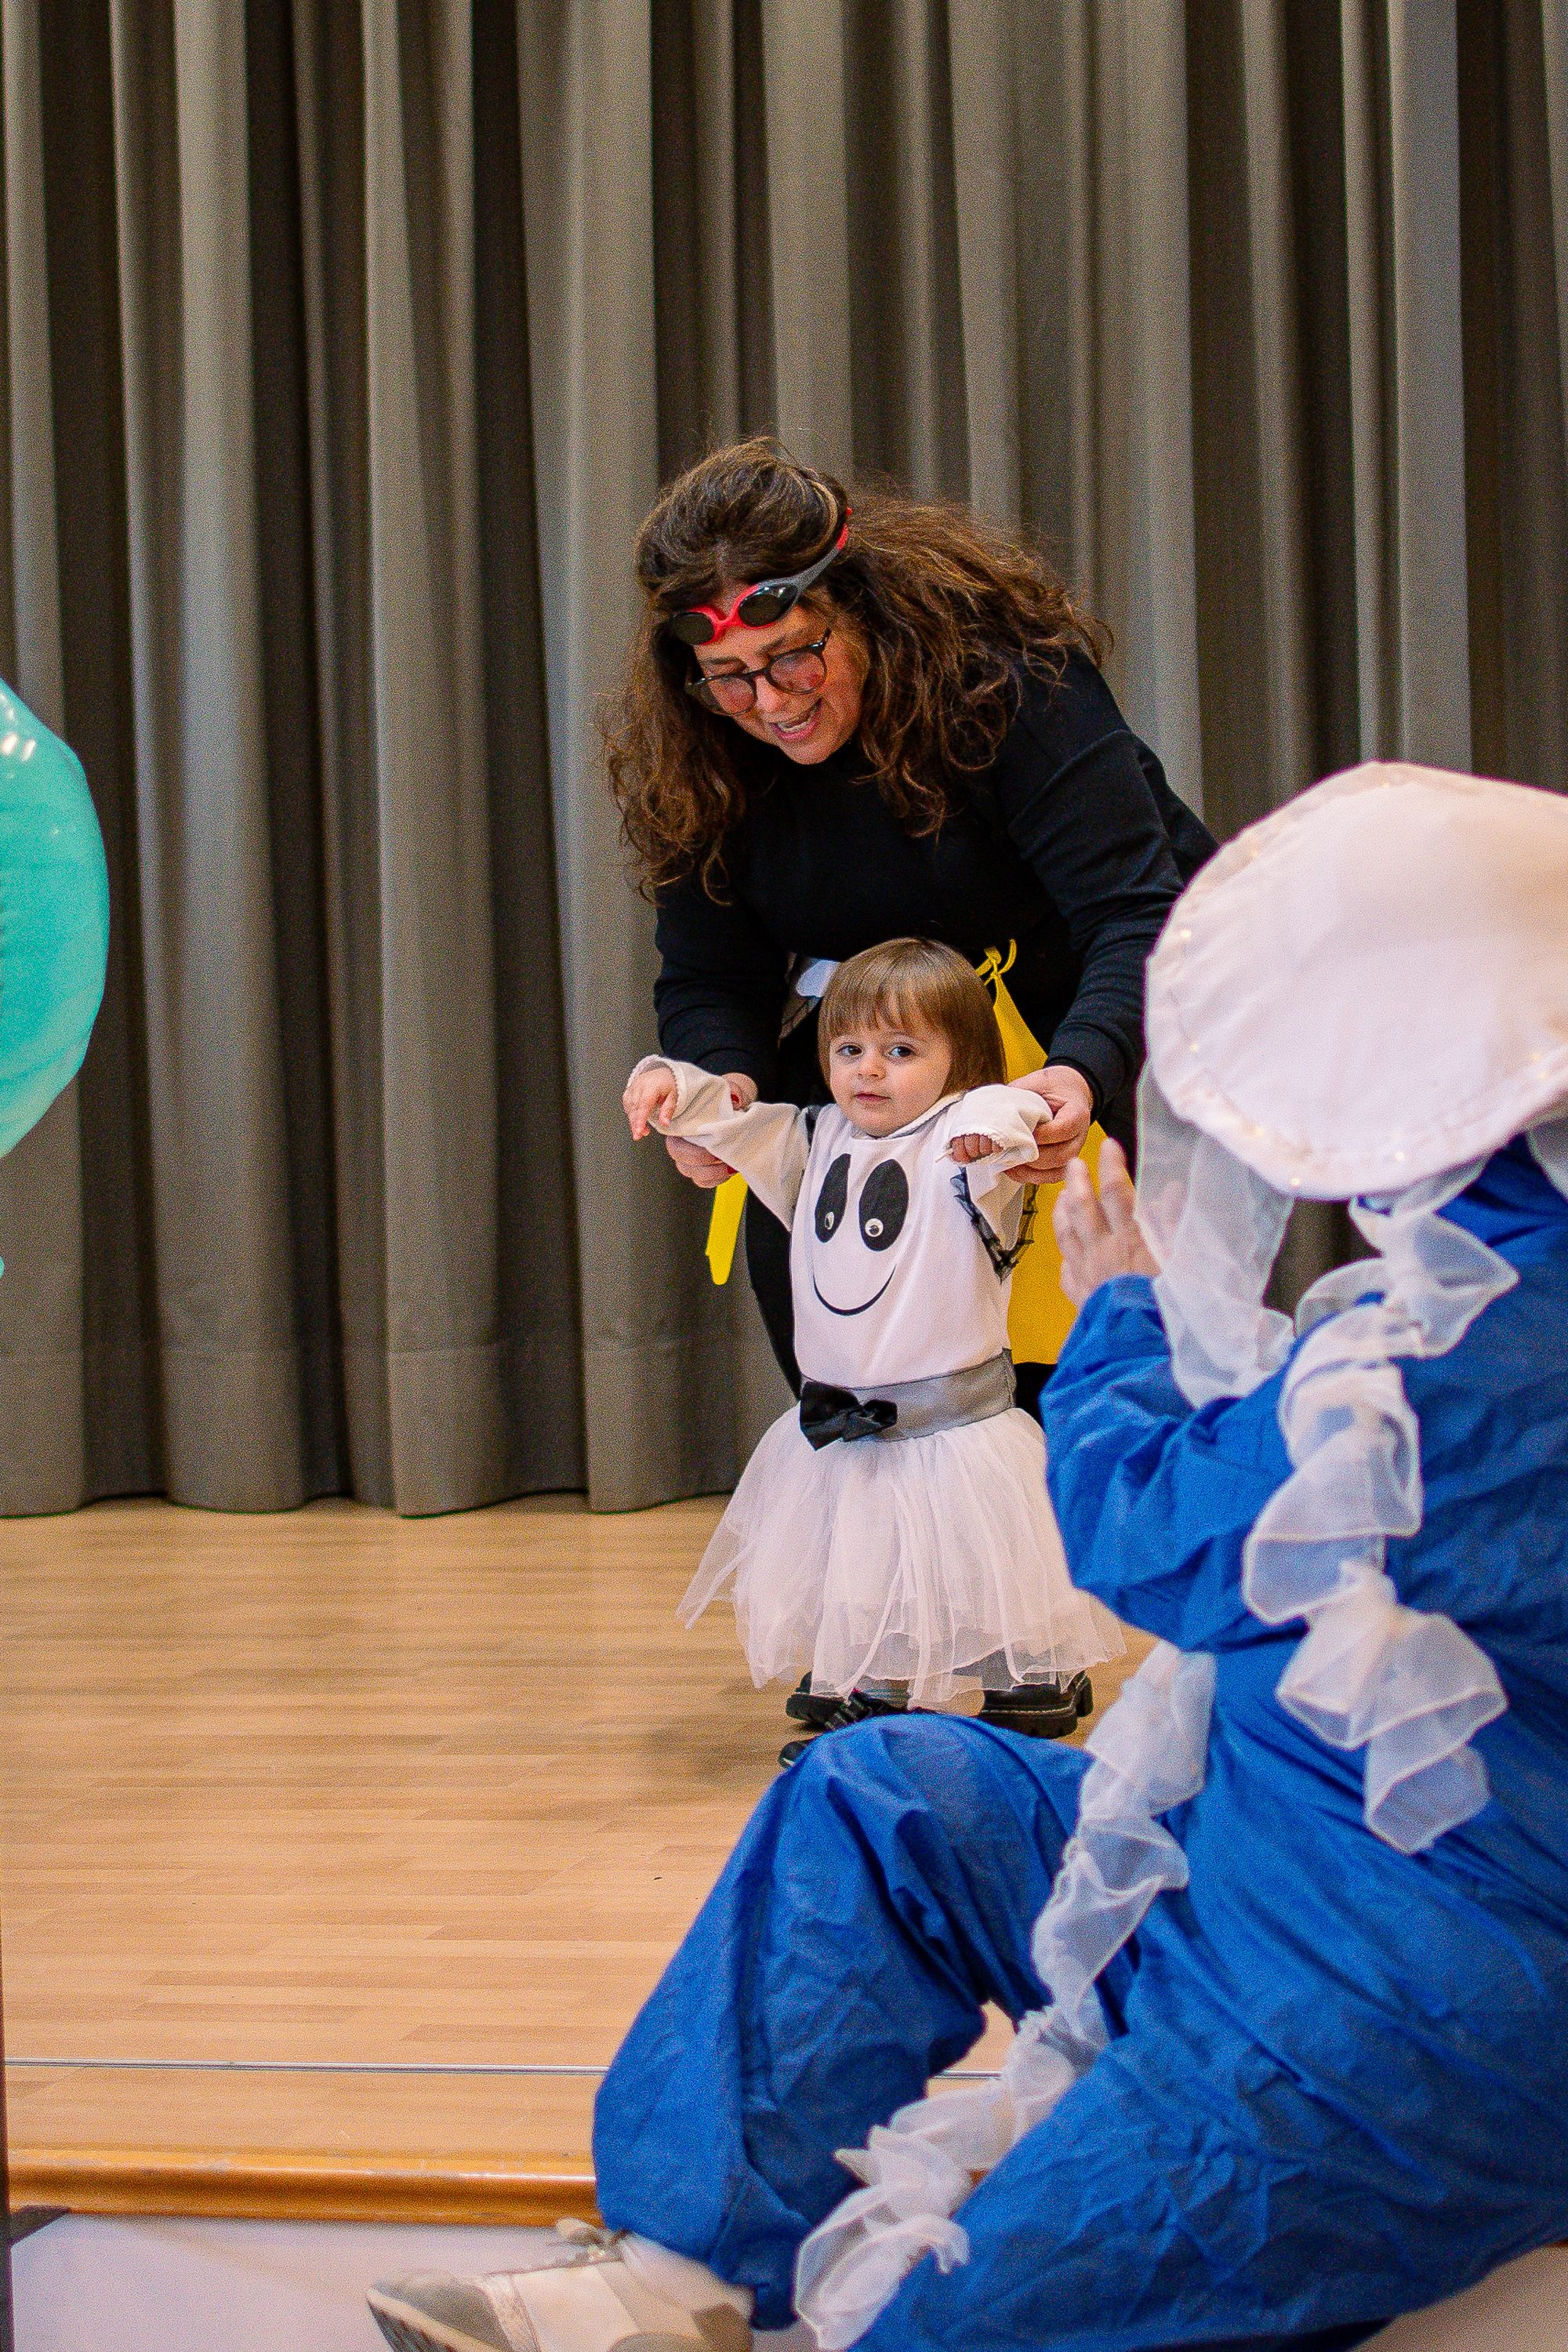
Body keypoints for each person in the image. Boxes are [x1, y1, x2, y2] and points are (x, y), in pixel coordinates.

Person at [370, 761, 1568, 2352]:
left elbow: (1153, 1528)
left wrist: (1125, 1310)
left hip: (1384, 2020)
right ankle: (670, 2287)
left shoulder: (1481, 1353)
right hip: (1259, 1868)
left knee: (946, 2329)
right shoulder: (1469, 1281)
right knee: (885, 1796)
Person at [607, 437, 1213, 1418]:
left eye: (792, 654)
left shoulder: (1008, 684)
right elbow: (708, 977)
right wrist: (718, 1087)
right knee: (860, 1397)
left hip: (1071, 1038)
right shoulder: (704, 751)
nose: (768, 703)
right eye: (727, 675)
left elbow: (1134, 913)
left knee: (1081, 1410)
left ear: (859, 607)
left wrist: (1080, 1072)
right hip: (865, 1071)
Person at [623, 939, 1123, 1763]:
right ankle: (876, 1681)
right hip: (842, 1417)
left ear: (959, 1059)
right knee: (865, 1556)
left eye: (900, 1051)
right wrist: (674, 1087)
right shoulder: (811, 1138)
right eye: (849, 1049)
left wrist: (998, 1123)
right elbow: (733, 1123)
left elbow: (1012, 1116)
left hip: (952, 1421)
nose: (869, 1071)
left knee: (981, 1556)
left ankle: (1032, 1668)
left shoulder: (967, 1141)